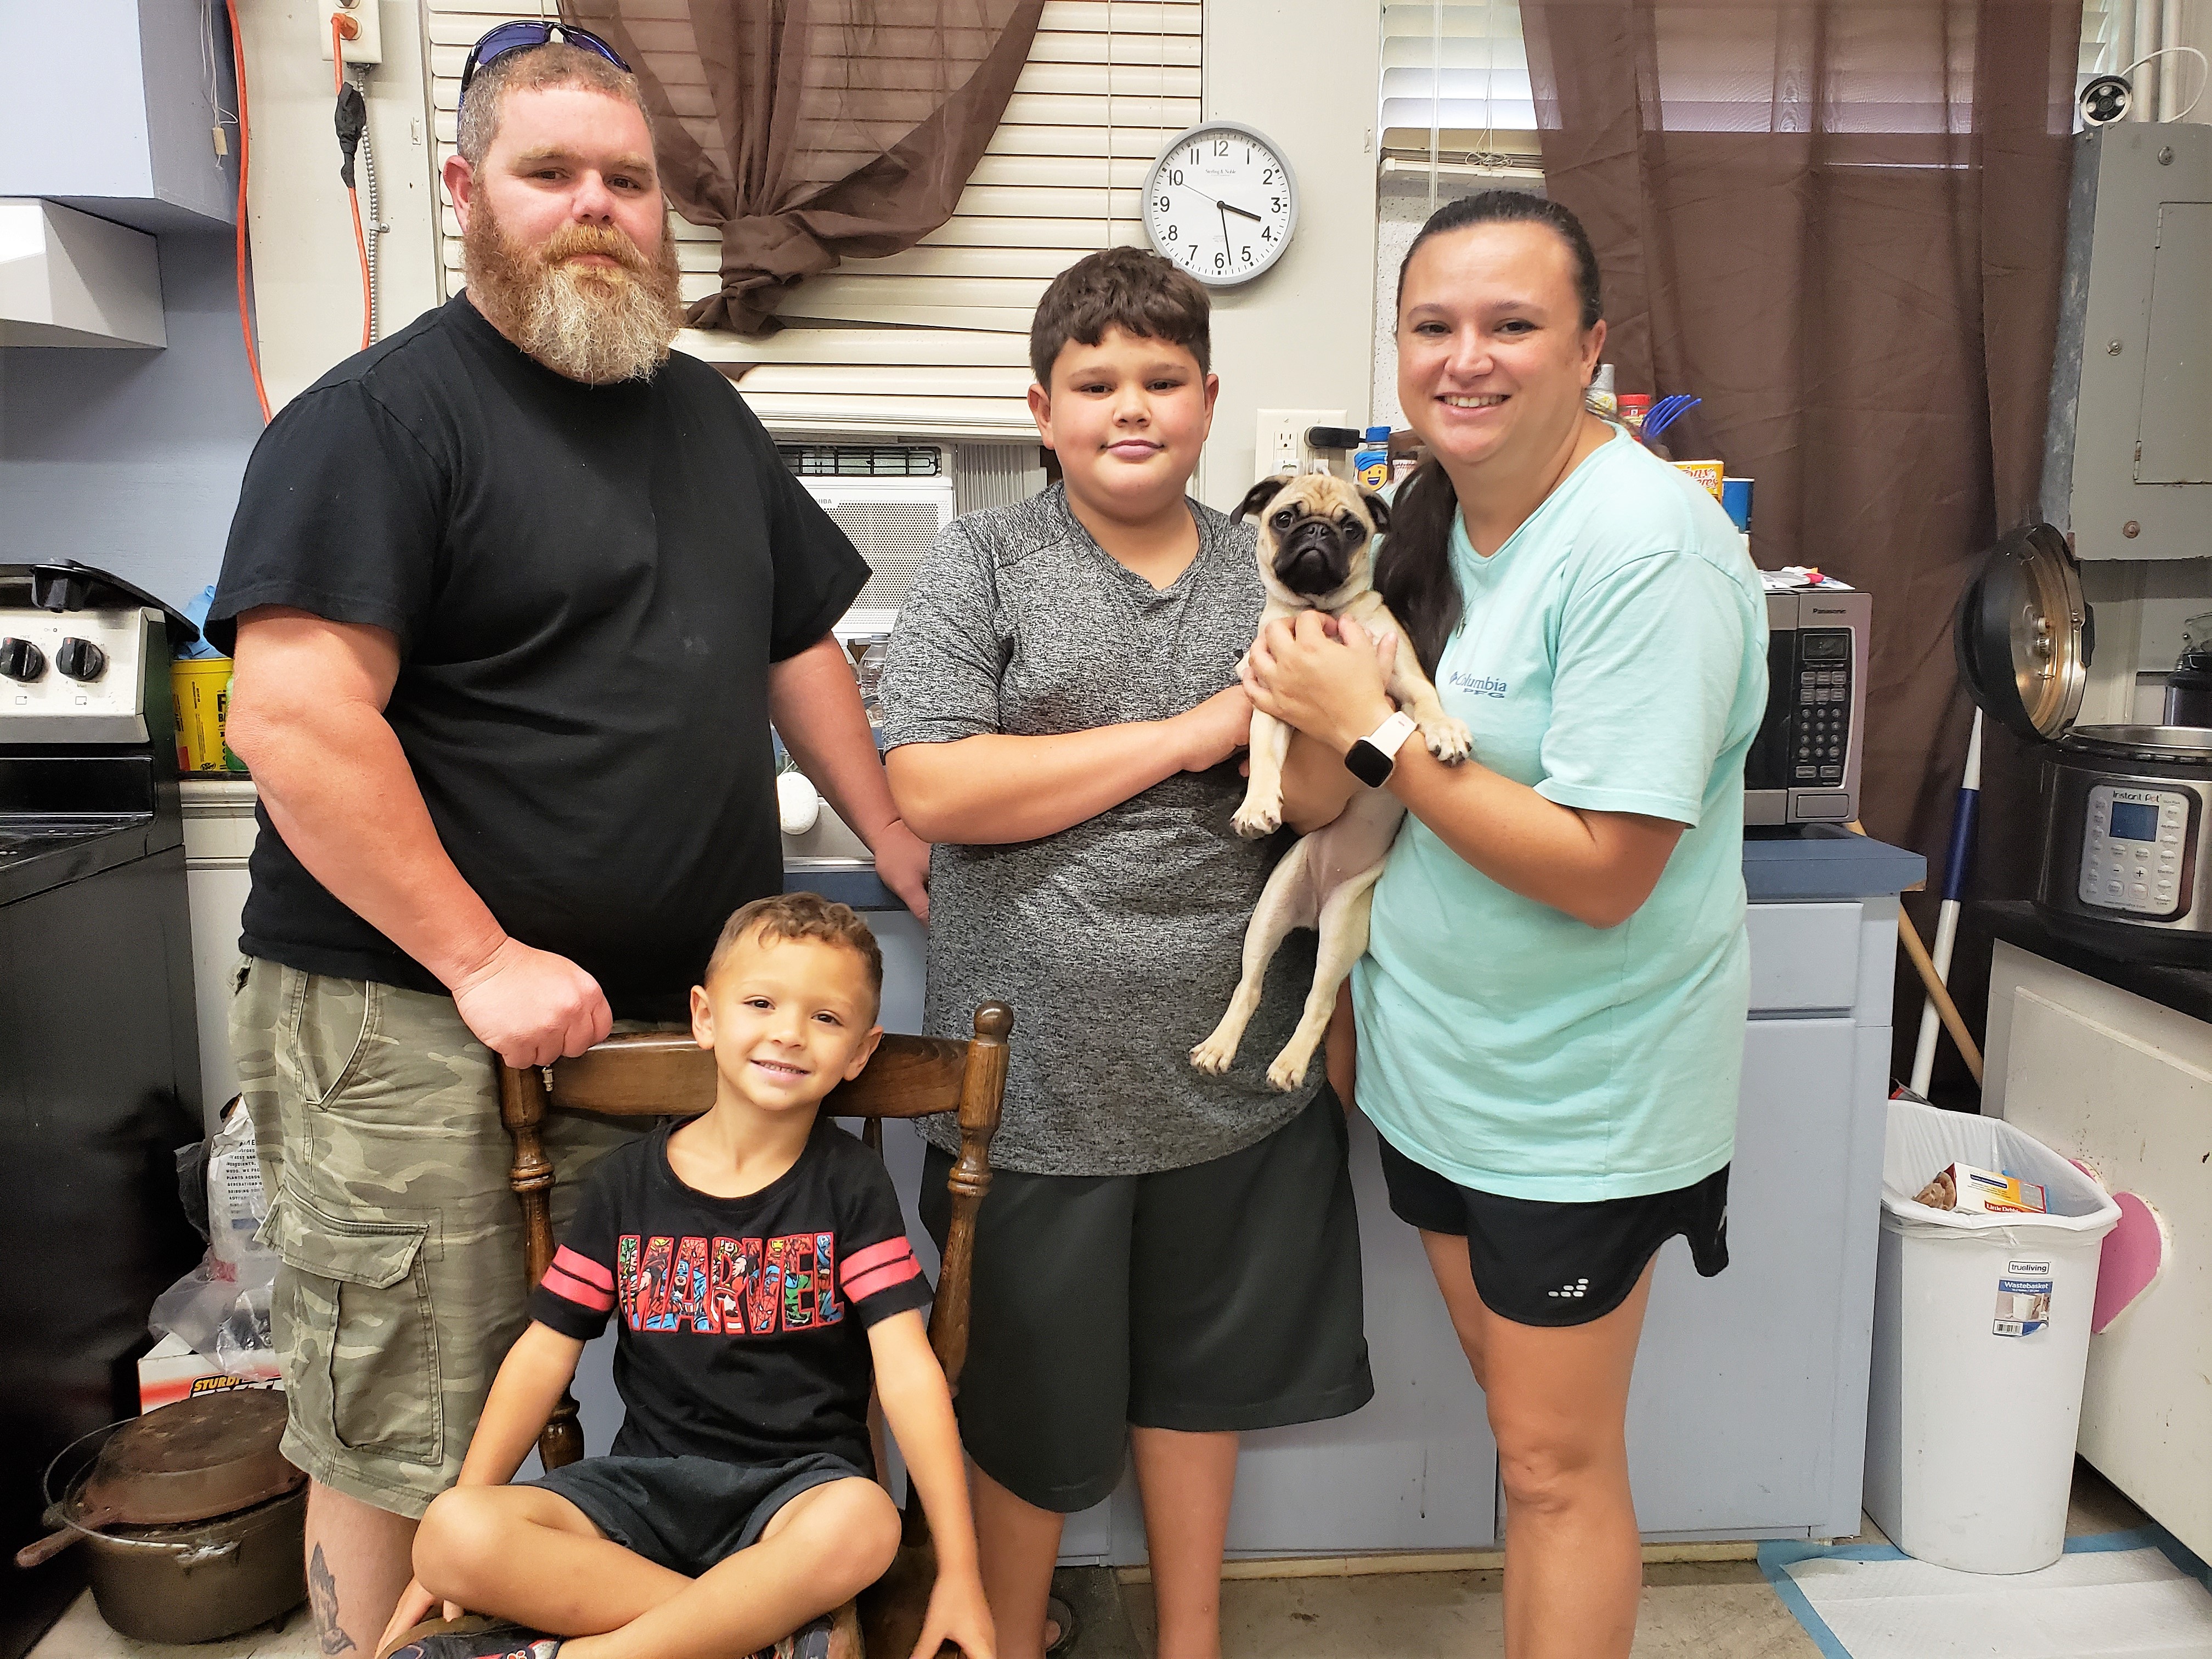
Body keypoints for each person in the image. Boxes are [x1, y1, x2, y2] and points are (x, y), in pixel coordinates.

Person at [209, 29, 928, 1656]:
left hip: (675, 1027)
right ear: (466, 192)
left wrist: (888, 826)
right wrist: (477, 957)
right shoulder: (380, 421)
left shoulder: (704, 418)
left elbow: (795, 643)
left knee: (709, 1396)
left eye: (628, 178)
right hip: (415, 1023)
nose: (595, 207)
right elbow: (295, 720)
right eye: (551, 174)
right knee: (413, 1418)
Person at [1242, 190, 1767, 1659]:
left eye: (1513, 325)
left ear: (1592, 348)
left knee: (1553, 1465)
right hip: (1430, 1063)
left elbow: (1607, 870)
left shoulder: (1645, 553)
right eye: (1433, 327)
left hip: (1580, 1095)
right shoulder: (1424, 516)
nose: (1466, 359)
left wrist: (1372, 736)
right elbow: (1309, 791)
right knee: (1512, 1423)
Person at [877, 247, 1374, 1659]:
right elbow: (934, 788)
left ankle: (1191, 1643)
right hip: (1034, 1081)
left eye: (1163, 380)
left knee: (1199, 1384)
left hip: (1231, 1073)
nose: (1131, 408)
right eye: (1096, 384)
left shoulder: (1273, 562)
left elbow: (1330, 801)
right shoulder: (985, 560)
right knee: (1026, 1401)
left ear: (1212, 402)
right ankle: (1004, 1629)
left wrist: (1325, 729)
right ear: (1043, 408)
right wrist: (1204, 737)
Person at [374, 895, 992, 1659]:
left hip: (796, 1499)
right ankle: (746, 1637)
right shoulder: (625, 1186)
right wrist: (444, 1555)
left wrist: (961, 1571)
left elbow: (908, 1373)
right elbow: (543, 1356)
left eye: (826, 1019)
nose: (789, 1033)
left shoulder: (851, 1187)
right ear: (706, 1017)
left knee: (866, 1524)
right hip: (641, 1494)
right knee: (451, 1532)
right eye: (761, 1002)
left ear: (859, 1053)